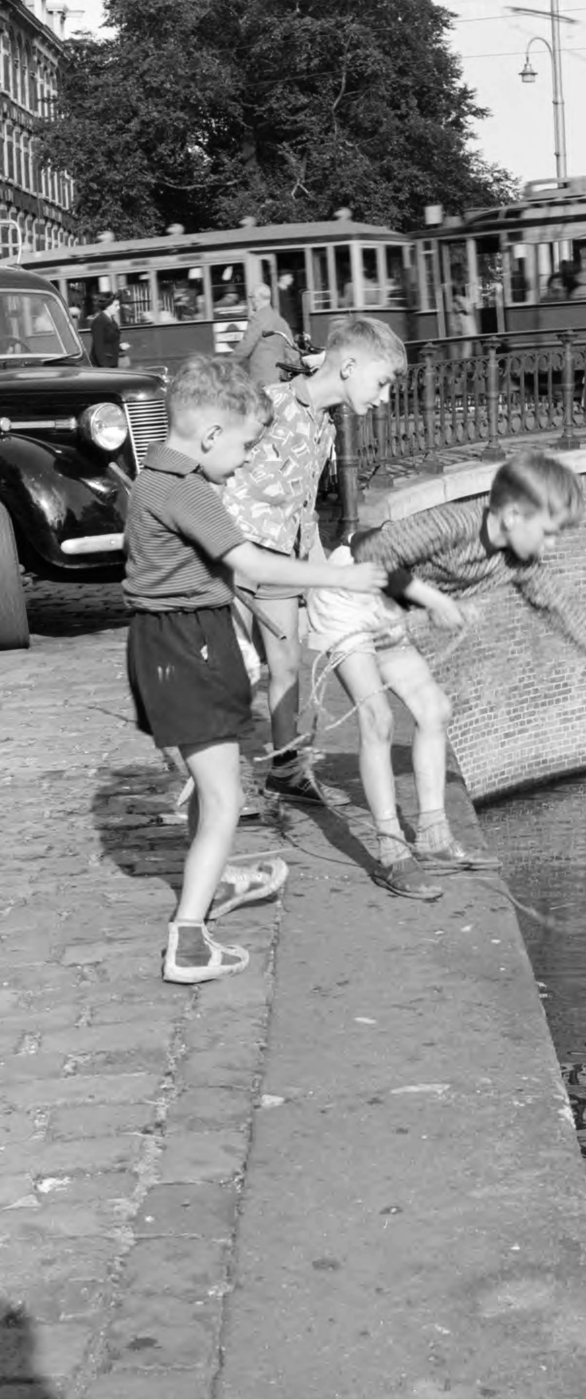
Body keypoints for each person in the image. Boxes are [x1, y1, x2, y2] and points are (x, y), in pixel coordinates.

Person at [309, 451, 586, 899]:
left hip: (387, 611)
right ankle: (392, 854)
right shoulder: (454, 525)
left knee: (435, 711)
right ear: (512, 515)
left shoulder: (517, 563)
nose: (552, 546)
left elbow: (567, 613)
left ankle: (434, 837)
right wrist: (434, 600)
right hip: (349, 595)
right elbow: (371, 551)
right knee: (378, 721)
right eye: (548, 532)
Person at [122, 355, 384, 984]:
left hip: (158, 643)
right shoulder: (189, 490)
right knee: (224, 797)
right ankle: (189, 940)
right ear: (210, 435)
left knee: (208, 785)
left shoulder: (151, 476)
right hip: (193, 644)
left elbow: (192, 567)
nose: (243, 462)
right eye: (241, 448)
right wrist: (341, 576)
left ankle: (211, 881)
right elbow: (252, 563)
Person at [221, 314, 406, 811]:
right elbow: (217, 466)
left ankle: (285, 768)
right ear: (348, 366)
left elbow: (303, 507)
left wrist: (323, 573)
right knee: (233, 673)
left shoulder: (327, 426)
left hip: (281, 559)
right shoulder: (271, 404)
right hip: (236, 558)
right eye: (382, 382)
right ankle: (211, 783)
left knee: (287, 666)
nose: (384, 398)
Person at [233, 284, 300, 386]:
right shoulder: (280, 320)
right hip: (279, 378)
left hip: (261, 377)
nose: (250, 300)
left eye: (251, 297)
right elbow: (292, 350)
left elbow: (245, 347)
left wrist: (225, 363)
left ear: (256, 299)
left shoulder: (257, 319)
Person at [90, 292, 124, 368]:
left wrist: (120, 347)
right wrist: (105, 367)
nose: (118, 308)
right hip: (104, 364)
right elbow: (98, 347)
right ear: (108, 306)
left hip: (112, 362)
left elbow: (110, 342)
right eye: (116, 305)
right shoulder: (99, 322)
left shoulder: (111, 320)